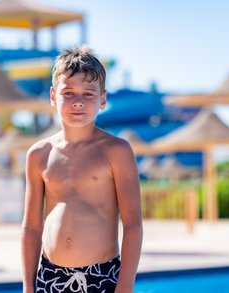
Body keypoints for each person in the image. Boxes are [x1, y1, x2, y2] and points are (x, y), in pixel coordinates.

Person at [21, 46, 143, 293]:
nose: (78, 102)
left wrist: (125, 287)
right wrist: (27, 286)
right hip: (50, 275)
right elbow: (31, 227)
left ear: (103, 99)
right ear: (54, 97)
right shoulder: (38, 154)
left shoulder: (116, 151)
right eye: (69, 92)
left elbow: (133, 224)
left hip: (103, 276)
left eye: (88, 94)